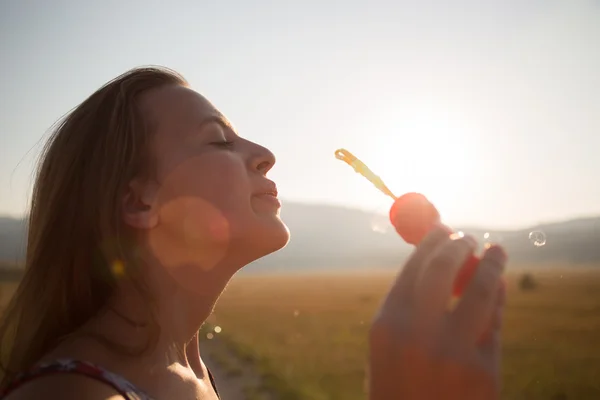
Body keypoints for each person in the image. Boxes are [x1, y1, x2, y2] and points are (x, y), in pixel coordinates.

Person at [0, 66, 507, 400]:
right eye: (220, 140)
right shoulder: (70, 396)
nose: (265, 152)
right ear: (139, 200)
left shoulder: (191, 371)